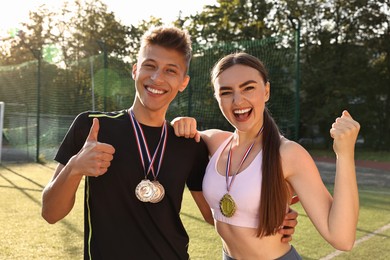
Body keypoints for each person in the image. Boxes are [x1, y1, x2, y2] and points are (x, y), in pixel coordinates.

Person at [41, 27, 297, 259]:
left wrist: (271, 212)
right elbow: (50, 213)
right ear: (135, 70)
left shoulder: (187, 142)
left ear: (183, 82)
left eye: (170, 71)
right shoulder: (93, 127)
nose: (157, 78)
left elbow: (213, 214)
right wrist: (75, 167)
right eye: (149, 66)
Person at [172, 52, 360, 259]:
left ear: (267, 91)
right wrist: (178, 120)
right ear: (217, 98)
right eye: (226, 92)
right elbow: (221, 216)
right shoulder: (215, 142)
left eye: (248, 88)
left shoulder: (288, 153)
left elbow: (342, 238)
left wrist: (345, 153)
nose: (237, 100)